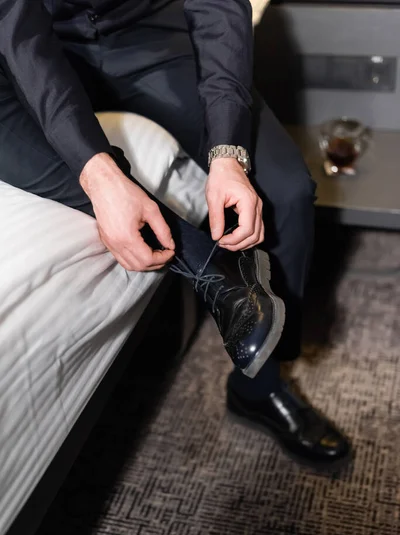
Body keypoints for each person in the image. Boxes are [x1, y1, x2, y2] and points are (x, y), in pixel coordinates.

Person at [0, 0, 350, 466]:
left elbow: (218, 7)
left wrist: (228, 154)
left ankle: (259, 388)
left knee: (285, 190)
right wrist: (97, 172)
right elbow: (18, 31)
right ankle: (206, 262)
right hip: (31, 51)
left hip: (148, 39)